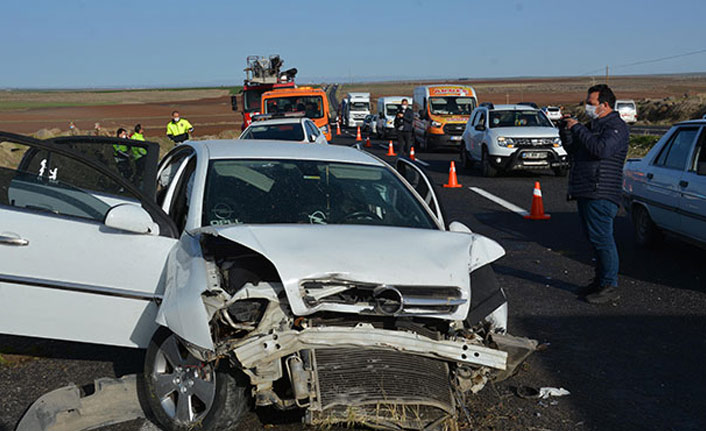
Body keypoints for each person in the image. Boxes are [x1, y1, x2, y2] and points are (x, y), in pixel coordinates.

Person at [559, 84, 629, 304]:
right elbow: (576, 150)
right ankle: (600, 281)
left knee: (603, 239)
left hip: (601, 191)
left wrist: (579, 128)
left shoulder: (616, 127)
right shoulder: (594, 126)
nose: (588, 107)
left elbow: (601, 150)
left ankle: (609, 284)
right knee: (593, 239)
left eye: (591, 104)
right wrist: (567, 131)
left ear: (605, 105)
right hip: (587, 189)